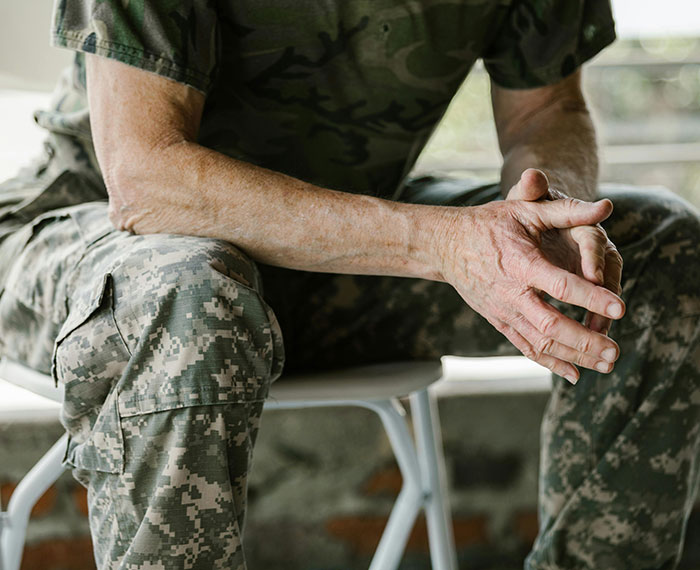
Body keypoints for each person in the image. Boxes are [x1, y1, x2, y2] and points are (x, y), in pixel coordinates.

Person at [0, 0, 697, 568]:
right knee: (189, 291)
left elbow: (546, 110)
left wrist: (545, 211)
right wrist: (445, 244)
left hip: (335, 252)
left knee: (659, 246)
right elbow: (147, 181)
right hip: (102, 243)